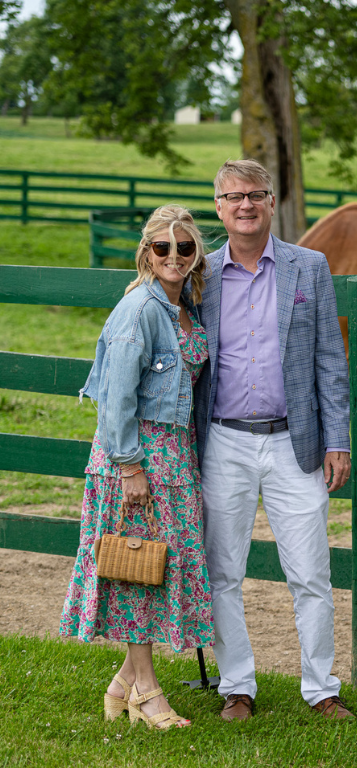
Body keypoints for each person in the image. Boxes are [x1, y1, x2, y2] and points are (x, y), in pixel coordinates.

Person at [194, 159, 352, 721]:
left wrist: (339, 440)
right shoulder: (199, 275)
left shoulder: (309, 267)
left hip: (295, 443)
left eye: (255, 194)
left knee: (310, 572)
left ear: (271, 201)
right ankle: (237, 686)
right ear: (219, 206)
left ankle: (322, 689)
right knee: (221, 572)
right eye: (233, 196)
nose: (245, 205)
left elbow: (331, 363)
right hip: (222, 443)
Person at [60, 204, 214, 729]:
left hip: (174, 456)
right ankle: (147, 693)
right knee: (137, 572)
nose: (174, 256)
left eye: (185, 247)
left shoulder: (186, 303)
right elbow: (116, 396)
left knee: (155, 565)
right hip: (138, 457)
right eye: (162, 247)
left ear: (195, 255)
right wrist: (129, 467)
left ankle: (123, 682)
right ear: (146, 252)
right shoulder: (141, 310)